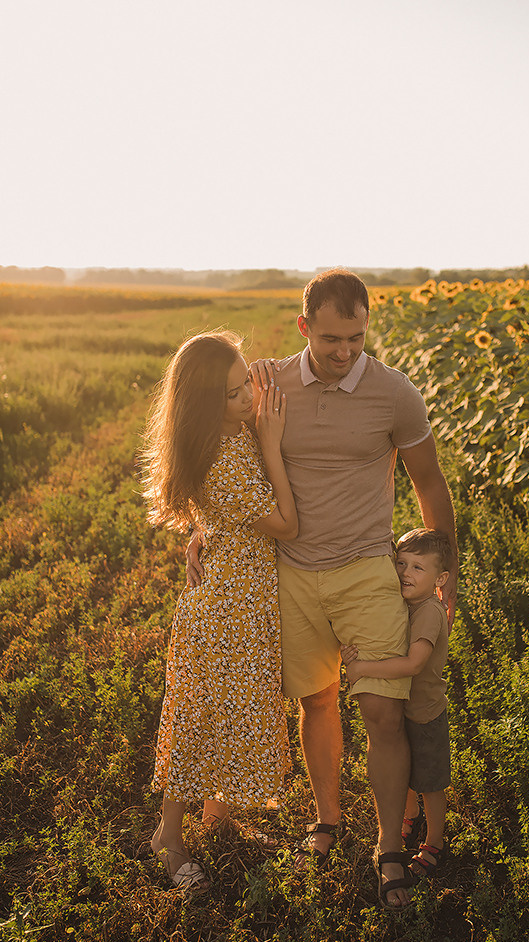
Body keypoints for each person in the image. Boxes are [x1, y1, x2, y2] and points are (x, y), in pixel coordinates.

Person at [187, 269, 458, 908]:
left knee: (384, 711)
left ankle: (389, 845)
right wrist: (200, 527)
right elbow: (217, 452)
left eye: (357, 338)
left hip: (368, 568)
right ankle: (328, 816)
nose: (345, 352)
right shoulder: (265, 382)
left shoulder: (396, 395)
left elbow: (431, 485)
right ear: (304, 326)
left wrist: (445, 571)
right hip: (290, 570)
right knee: (316, 701)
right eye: (332, 338)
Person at [143, 331, 297, 891]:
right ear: (207, 405)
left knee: (230, 711)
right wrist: (273, 444)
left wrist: (205, 531)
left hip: (243, 599)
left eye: (245, 387)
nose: (249, 400)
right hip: (226, 607)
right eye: (234, 396)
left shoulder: (232, 435)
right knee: (202, 719)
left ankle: (220, 816)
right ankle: (170, 835)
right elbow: (286, 525)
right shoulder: (226, 455)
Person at [341, 528, 453, 880]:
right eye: (401, 563)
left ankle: (435, 841)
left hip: (424, 713)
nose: (406, 573)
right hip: (400, 704)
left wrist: (362, 669)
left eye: (419, 568)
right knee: (401, 770)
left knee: (430, 782)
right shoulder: (401, 605)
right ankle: (408, 816)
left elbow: (413, 664)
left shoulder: (429, 612)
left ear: (441, 578)